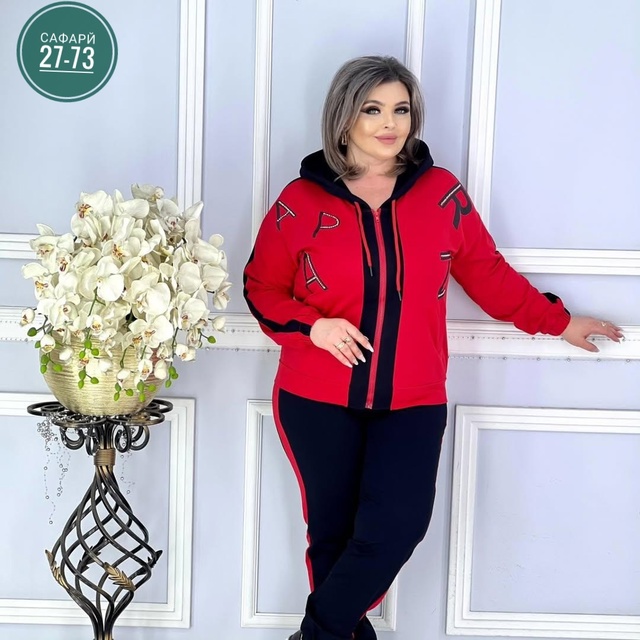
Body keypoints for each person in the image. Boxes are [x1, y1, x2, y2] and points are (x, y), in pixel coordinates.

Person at [243, 55, 623, 640]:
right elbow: (261, 287)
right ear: (344, 117)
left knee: (397, 526)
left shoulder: (441, 194)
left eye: (400, 110)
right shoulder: (300, 201)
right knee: (334, 536)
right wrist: (313, 327)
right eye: (373, 109)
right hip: (316, 398)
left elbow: (488, 275)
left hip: (413, 398)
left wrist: (559, 321)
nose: (389, 123)